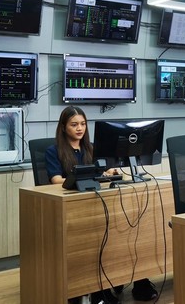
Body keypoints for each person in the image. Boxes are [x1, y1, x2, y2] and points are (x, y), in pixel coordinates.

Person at [45, 106, 157, 303]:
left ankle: (135, 279)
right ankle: (95, 290)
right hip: (72, 209)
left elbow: (104, 170)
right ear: (63, 127)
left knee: (127, 231)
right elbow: (55, 180)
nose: (79, 128)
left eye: (83, 124)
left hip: (97, 203)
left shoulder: (93, 148)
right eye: (74, 125)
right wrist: (84, 175)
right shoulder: (53, 151)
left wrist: (108, 172)